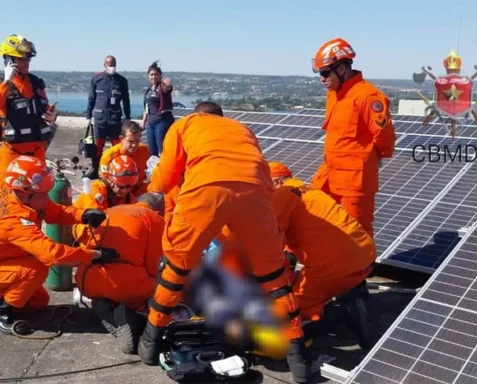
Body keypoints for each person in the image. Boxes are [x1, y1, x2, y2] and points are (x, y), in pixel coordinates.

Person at [142, 101, 311, 384]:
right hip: (254, 193)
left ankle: (150, 343)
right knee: (275, 279)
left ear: (198, 114)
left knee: (175, 270)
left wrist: (152, 190)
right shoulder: (241, 129)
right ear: (221, 117)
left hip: (206, 190)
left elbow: (166, 175)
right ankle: (299, 363)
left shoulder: (184, 124)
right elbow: (260, 172)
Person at [0, 155, 116, 334]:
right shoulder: (13, 220)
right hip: (7, 261)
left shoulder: (23, 195)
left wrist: (83, 215)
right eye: (43, 195)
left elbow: (53, 211)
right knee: (37, 268)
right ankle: (4, 312)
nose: (47, 198)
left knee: (38, 301)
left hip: (8, 258)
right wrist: (93, 255)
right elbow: (52, 254)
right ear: (24, 193)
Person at [268, 162, 375, 323]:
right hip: (366, 257)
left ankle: (338, 316)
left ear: (277, 182)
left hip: (337, 269)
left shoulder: (281, 195)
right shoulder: (310, 191)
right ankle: (348, 298)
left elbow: (270, 240)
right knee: (299, 282)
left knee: (284, 309)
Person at [310, 37, 396, 237]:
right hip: (330, 172)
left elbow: (384, 136)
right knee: (311, 213)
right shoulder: (334, 94)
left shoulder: (368, 96)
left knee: (356, 232)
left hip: (354, 180)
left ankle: (360, 268)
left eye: (324, 73)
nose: (322, 79)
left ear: (341, 68)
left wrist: (373, 159)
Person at [74, 193, 165, 354]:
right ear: (158, 210)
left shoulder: (110, 210)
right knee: (163, 288)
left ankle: (104, 304)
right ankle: (131, 319)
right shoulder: (153, 218)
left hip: (85, 279)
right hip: (123, 284)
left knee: (115, 287)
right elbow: (153, 266)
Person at [0, 34, 57, 173]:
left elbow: (44, 107)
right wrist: (7, 81)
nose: (26, 62)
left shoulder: (36, 82)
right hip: (13, 149)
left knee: (39, 191)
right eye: (21, 59)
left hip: (37, 148)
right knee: (6, 190)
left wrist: (51, 116)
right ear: (9, 59)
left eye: (28, 58)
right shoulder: (3, 83)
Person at [72, 155, 138, 243]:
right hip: (86, 226)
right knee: (94, 234)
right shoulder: (96, 189)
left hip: (108, 228)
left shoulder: (130, 199)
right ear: (111, 180)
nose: (126, 190)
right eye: (121, 187)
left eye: (129, 187)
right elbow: (94, 220)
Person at [86, 55, 131, 176]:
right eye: (110, 65)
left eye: (114, 65)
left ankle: (120, 168)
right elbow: (91, 98)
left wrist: (128, 117)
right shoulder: (96, 79)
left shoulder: (121, 81)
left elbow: (126, 100)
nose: (112, 67)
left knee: (117, 146)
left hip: (115, 120)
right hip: (100, 119)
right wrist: (88, 115)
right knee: (98, 146)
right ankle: (96, 169)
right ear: (104, 65)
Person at [99, 120, 150, 196]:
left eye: (137, 141)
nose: (134, 145)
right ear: (121, 139)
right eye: (130, 141)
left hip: (138, 190)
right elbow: (104, 178)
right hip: (117, 193)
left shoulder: (144, 150)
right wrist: (117, 188)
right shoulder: (109, 156)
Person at [140, 61, 174, 156]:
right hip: (150, 123)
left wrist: (168, 85)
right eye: (151, 75)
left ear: (160, 75)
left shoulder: (161, 86)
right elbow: (147, 107)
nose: (154, 77)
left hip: (162, 121)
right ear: (148, 76)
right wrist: (143, 122)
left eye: (156, 74)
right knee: (152, 150)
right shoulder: (149, 90)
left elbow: (167, 89)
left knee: (162, 150)